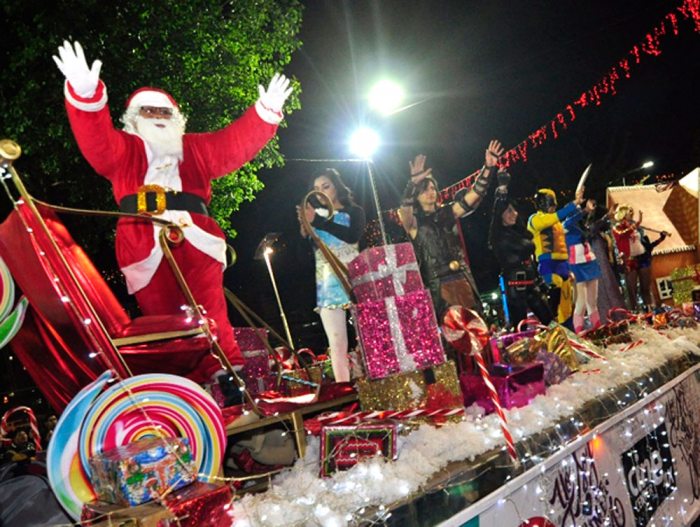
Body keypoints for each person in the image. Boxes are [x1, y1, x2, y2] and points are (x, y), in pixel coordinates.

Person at [53, 41, 292, 384]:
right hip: (142, 241)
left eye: (163, 112)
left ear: (176, 118)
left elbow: (233, 143)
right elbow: (97, 141)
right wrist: (86, 95)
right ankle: (183, 385)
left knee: (211, 310)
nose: (157, 116)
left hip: (197, 237)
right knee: (165, 322)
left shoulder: (194, 148)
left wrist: (264, 112)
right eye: (148, 111)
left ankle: (230, 378)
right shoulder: (125, 150)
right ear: (134, 120)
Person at [399, 141, 504, 319]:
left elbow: (474, 195)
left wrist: (488, 167)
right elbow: (404, 212)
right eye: (424, 190)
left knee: (475, 324)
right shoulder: (414, 223)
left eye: (432, 188)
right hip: (438, 284)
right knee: (450, 328)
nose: (430, 192)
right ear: (417, 196)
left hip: (462, 277)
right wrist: (412, 184)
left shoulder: (449, 212)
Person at [297, 169, 365, 383]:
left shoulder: (354, 211)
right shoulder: (315, 216)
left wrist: (318, 221)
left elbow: (352, 236)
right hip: (327, 283)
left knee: (366, 335)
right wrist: (305, 229)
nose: (321, 192)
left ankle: (373, 381)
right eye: (316, 189)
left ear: (336, 186)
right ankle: (344, 388)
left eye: (325, 186)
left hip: (354, 277)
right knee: (336, 342)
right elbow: (302, 257)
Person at [488, 175, 553, 328]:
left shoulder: (517, 232)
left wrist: (539, 281)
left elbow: (529, 258)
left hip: (530, 281)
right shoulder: (498, 234)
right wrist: (502, 188)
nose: (515, 214)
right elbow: (498, 207)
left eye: (514, 210)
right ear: (501, 214)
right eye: (509, 211)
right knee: (521, 326)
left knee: (549, 320)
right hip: (515, 284)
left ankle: (560, 341)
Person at [527, 188, 583, 325]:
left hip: (563, 265)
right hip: (548, 265)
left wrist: (584, 209)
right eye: (550, 203)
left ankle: (569, 329)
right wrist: (573, 204)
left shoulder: (556, 223)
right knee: (554, 287)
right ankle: (551, 324)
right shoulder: (535, 220)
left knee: (567, 302)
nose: (553, 207)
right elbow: (552, 219)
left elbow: (567, 222)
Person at [563, 197, 602, 333]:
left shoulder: (582, 228)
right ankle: (579, 333)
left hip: (590, 262)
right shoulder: (565, 225)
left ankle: (598, 330)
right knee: (581, 303)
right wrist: (585, 210)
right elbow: (571, 220)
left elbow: (594, 228)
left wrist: (605, 217)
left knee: (593, 302)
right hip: (576, 265)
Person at [585, 203, 626, 322]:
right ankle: (607, 321)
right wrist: (606, 216)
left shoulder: (602, 235)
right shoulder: (589, 234)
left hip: (606, 268)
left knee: (612, 291)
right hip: (597, 269)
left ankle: (619, 318)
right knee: (603, 294)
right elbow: (592, 228)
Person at [611, 204, 646, 310]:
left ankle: (643, 308)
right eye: (628, 213)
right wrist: (635, 225)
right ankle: (633, 310)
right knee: (631, 287)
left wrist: (638, 222)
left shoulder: (628, 225)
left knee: (642, 285)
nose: (630, 215)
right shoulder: (617, 227)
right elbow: (622, 234)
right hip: (627, 260)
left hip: (637, 258)